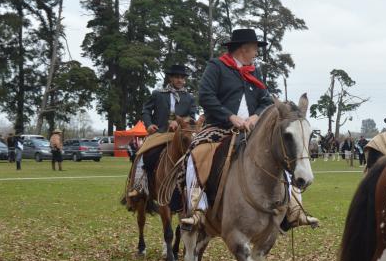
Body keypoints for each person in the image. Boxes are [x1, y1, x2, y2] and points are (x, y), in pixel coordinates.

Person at [181, 28, 317, 230]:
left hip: (253, 130)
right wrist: (231, 117)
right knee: (197, 153)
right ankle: (197, 208)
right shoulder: (216, 67)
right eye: (254, 49)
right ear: (244, 49)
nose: (256, 53)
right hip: (220, 127)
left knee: (283, 154)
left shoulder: (255, 71)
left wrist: (255, 117)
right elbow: (206, 96)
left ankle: (295, 209)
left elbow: (264, 100)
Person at [126, 64, 197, 198]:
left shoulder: (189, 97)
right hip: (159, 133)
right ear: (170, 78)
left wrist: (180, 121)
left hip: (180, 136)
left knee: (195, 159)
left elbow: (192, 116)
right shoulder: (158, 94)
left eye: (182, 78)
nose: (180, 80)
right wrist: (149, 124)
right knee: (143, 155)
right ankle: (139, 185)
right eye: (177, 77)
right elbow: (146, 110)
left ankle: (195, 190)